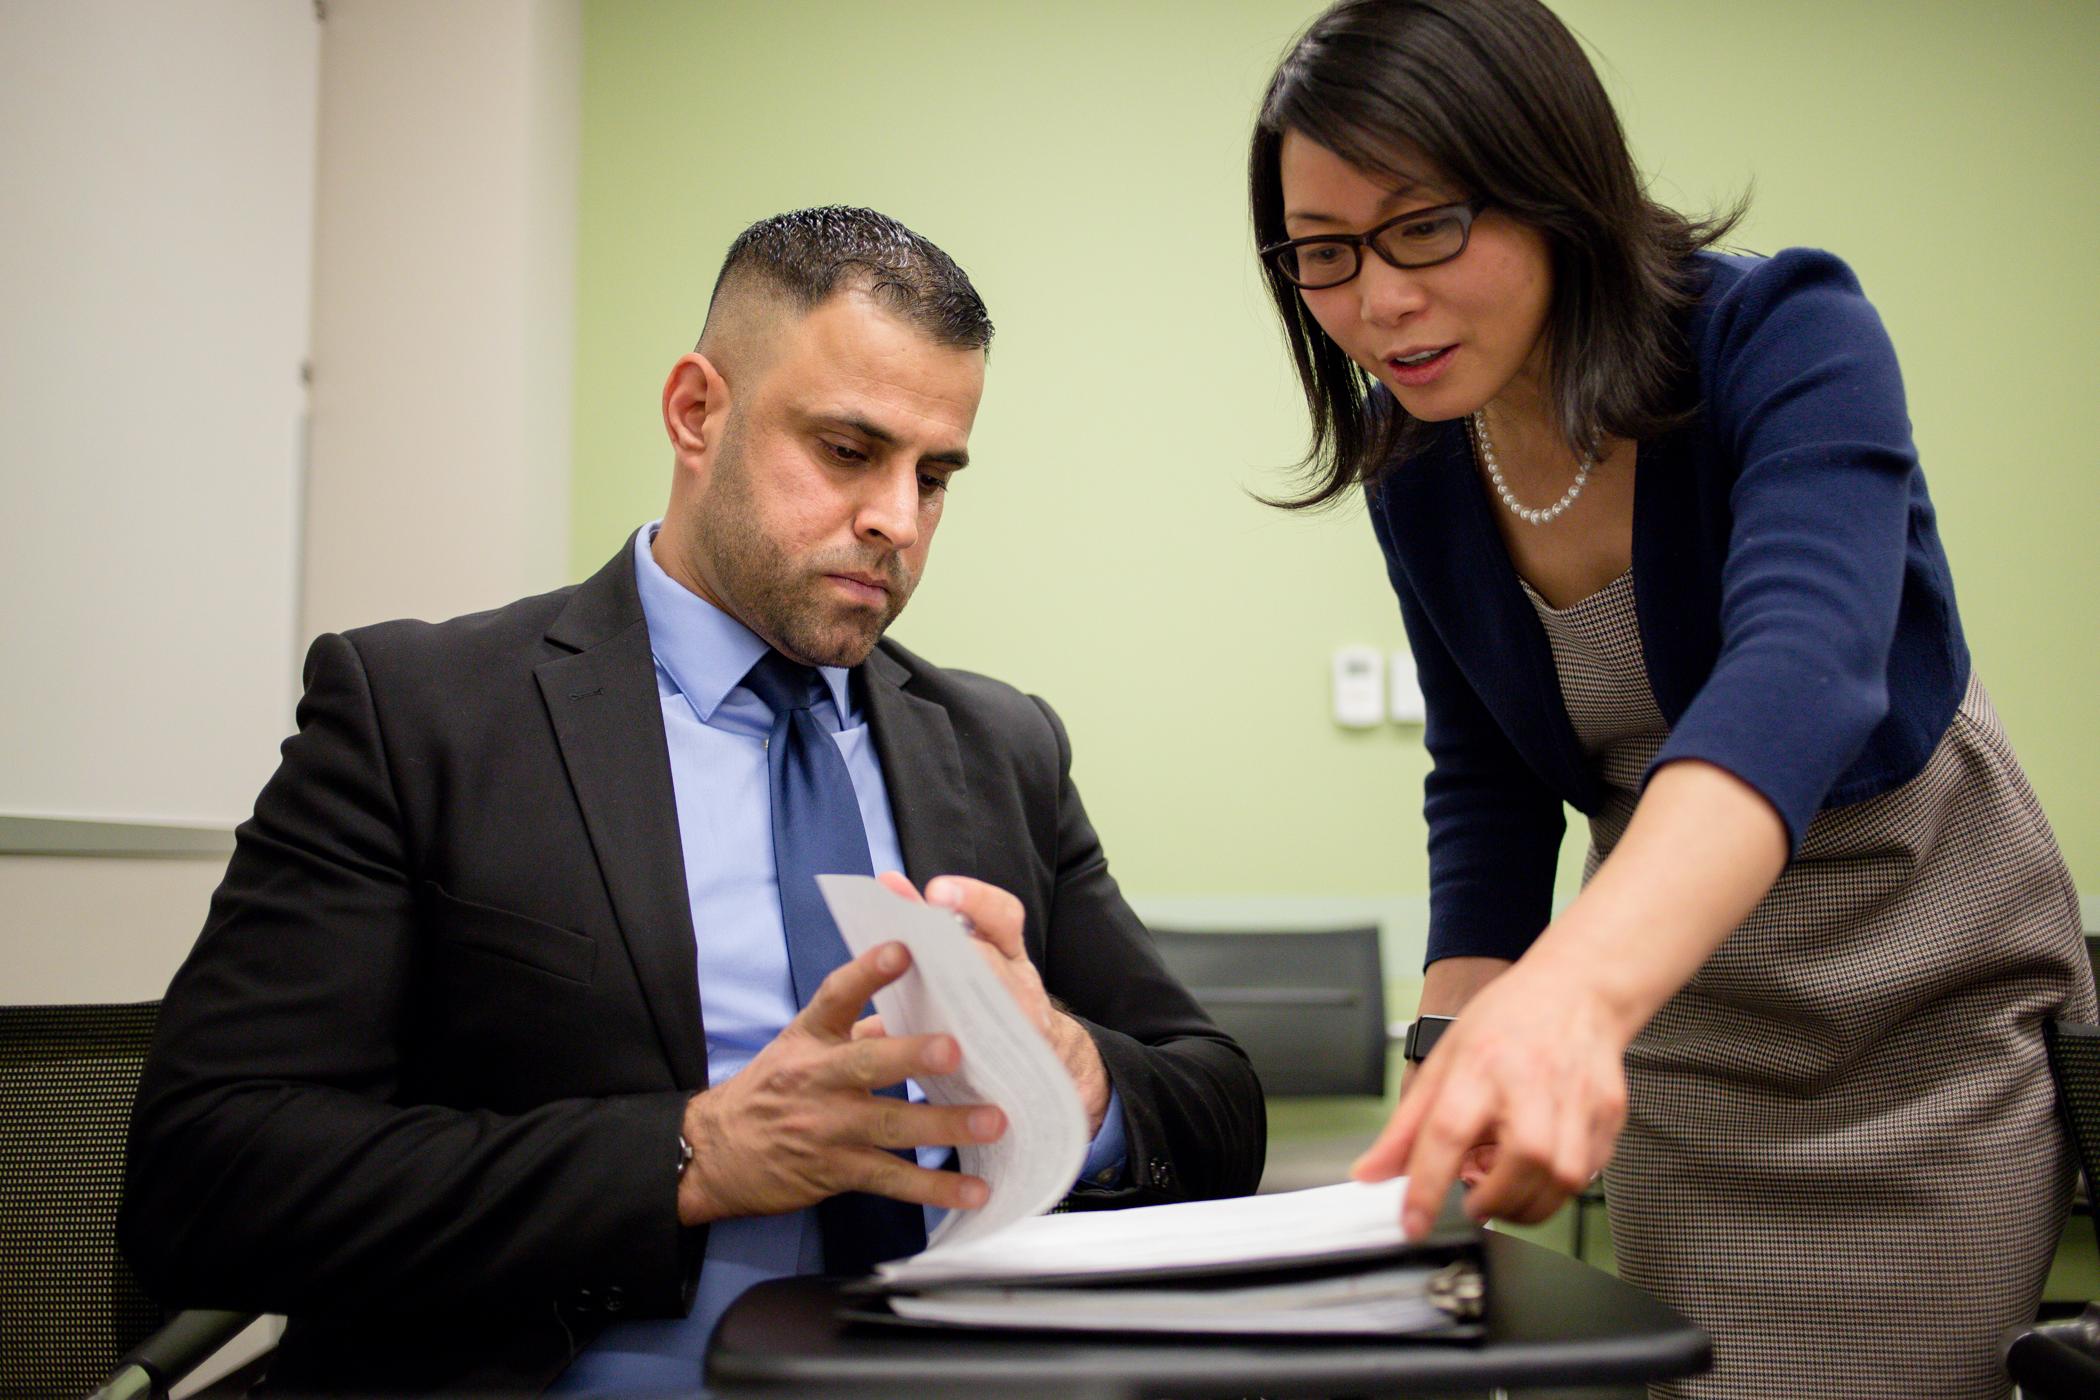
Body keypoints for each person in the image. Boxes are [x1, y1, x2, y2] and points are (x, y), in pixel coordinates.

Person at [120, 206, 1265, 1395]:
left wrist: (1078, 1074)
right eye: (846, 450)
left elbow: (1217, 1100)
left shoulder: (1001, 745)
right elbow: (205, 1178)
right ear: (695, 411)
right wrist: (691, 1153)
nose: (898, 520)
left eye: (935, 475)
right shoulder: (421, 717)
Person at [1246, 2, 2093, 1395]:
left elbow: (1803, 674)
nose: (1375, 302)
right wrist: (1443, 1102)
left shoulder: (1786, 335)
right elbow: (1489, 794)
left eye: (1422, 229)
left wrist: (1570, 999)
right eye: (1322, 255)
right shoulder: (1428, 476)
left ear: (1549, 184)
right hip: (1689, 1038)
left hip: (1923, 1027)